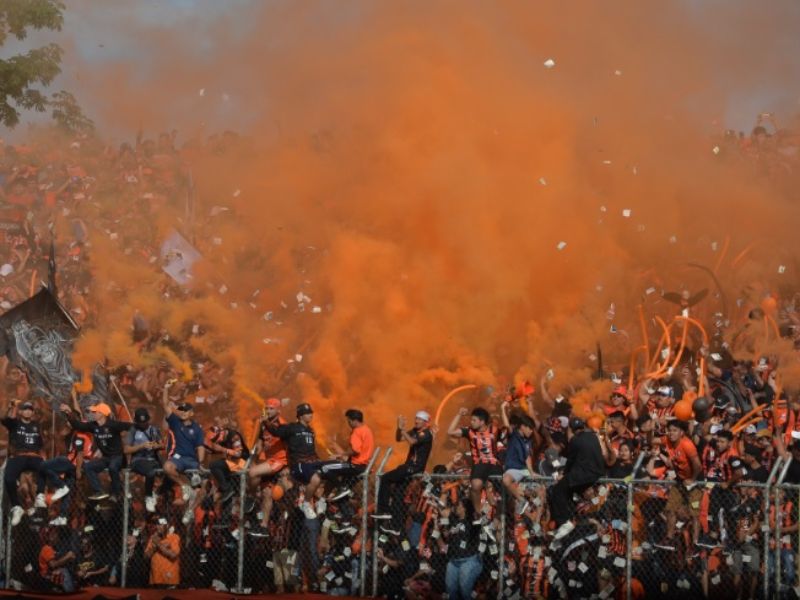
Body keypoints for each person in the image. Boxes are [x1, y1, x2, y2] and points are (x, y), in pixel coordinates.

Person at [3, 399, 67, 526]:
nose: (27, 412)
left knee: (44, 467)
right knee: (9, 478)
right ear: (21, 412)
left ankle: (39, 496)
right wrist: (12, 407)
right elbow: (7, 419)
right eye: (25, 409)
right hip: (18, 456)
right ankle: (17, 507)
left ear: (32, 413)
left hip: (33, 455)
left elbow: (41, 442)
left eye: (30, 410)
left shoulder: (36, 425)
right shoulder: (15, 424)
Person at [59, 401, 132, 501]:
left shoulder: (114, 425)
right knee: (88, 467)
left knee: (113, 467)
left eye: (95, 412)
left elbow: (133, 427)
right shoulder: (93, 426)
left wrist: (131, 439)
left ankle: (117, 493)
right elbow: (78, 425)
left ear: (102, 414)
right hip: (106, 458)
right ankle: (99, 491)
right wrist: (68, 413)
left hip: (117, 456)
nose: (93, 414)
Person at [267, 402, 325, 519]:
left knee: (327, 472)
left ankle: (320, 502)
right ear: (300, 415)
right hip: (298, 465)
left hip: (311, 463)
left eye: (310, 413)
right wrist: (265, 421)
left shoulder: (311, 431)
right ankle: (304, 503)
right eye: (307, 413)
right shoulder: (292, 428)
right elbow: (276, 432)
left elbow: (311, 450)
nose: (310, 415)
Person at [548, 417, 605, 536]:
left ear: (572, 430)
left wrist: (564, 474)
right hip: (597, 473)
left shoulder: (575, 440)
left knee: (558, 490)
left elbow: (571, 460)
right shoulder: (593, 436)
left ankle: (564, 522)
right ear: (583, 427)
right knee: (569, 492)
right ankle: (573, 520)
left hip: (583, 474)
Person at [373, 410, 433, 521]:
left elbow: (411, 441)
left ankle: (383, 510)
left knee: (386, 478)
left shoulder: (426, 433)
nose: (416, 421)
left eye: (420, 419)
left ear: (425, 422)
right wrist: (398, 428)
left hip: (415, 467)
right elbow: (399, 438)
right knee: (398, 492)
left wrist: (402, 429)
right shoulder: (415, 431)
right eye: (416, 418)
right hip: (408, 465)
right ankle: (396, 525)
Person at [161, 381, 205, 522]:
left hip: (191, 460)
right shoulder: (174, 421)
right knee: (167, 467)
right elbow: (165, 404)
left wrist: (200, 463)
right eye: (181, 410)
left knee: (200, 490)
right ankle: (184, 486)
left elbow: (200, 447)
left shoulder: (197, 429)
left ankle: (190, 511)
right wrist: (166, 388)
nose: (183, 412)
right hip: (177, 459)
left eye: (186, 410)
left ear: (191, 413)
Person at [656, 419, 703, 550]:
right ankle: (669, 538)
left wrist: (692, 479)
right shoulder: (668, 441)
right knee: (670, 509)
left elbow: (698, 465)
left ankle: (695, 543)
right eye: (670, 430)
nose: (671, 433)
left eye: (675, 430)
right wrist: (648, 431)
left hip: (695, 482)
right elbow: (653, 441)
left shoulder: (687, 444)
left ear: (682, 432)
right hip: (680, 481)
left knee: (694, 513)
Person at [448, 406, 502, 513]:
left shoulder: (494, 429)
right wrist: (459, 414)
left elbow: (506, 436)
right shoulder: (469, 431)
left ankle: (501, 514)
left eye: (474, 420)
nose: (471, 422)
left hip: (494, 463)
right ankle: (479, 513)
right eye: (471, 420)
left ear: (482, 422)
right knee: (475, 485)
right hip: (479, 463)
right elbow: (450, 432)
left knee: (504, 488)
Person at [249, 397, 288, 533]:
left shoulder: (282, 424)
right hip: (269, 460)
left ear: (278, 410)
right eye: (267, 408)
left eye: (271, 408)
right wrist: (257, 450)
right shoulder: (263, 424)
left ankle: (251, 498)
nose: (268, 411)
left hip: (279, 461)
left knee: (252, 472)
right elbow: (260, 441)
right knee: (266, 493)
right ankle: (263, 526)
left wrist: (287, 467)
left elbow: (288, 445)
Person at [323, 408, 375, 494]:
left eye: (349, 421)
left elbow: (355, 451)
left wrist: (339, 455)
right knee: (344, 492)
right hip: (365, 466)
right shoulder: (367, 430)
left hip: (355, 466)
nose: (349, 423)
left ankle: (341, 487)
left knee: (325, 468)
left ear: (354, 421)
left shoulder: (357, 432)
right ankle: (344, 491)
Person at [124, 407, 163, 512]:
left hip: (153, 459)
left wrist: (155, 446)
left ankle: (157, 493)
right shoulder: (133, 431)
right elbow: (126, 449)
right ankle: (148, 496)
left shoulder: (154, 429)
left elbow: (161, 444)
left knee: (169, 472)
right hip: (138, 460)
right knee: (150, 472)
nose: (143, 424)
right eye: (141, 422)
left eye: (145, 422)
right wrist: (141, 446)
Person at [499, 401, 536, 515]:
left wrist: (532, 472)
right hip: (514, 470)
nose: (531, 431)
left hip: (524, 470)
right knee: (506, 480)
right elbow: (506, 425)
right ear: (523, 427)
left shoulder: (528, 440)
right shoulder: (514, 435)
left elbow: (527, 457)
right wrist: (502, 409)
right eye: (529, 428)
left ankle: (536, 521)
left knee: (539, 491)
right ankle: (521, 501)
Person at [443, 497, 483, 600]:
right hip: (453, 561)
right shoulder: (453, 519)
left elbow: (478, 516)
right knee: (450, 590)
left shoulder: (471, 521)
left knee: (465, 590)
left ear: (464, 508)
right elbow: (443, 509)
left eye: (458, 505)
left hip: (468, 561)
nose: (456, 507)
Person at [145, 517, 181, 586]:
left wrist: (158, 544)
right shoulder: (153, 537)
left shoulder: (174, 537)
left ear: (167, 526)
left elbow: (173, 555)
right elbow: (146, 556)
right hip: (156, 578)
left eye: (161, 524)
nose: (158, 527)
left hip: (170, 578)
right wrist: (155, 547)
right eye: (157, 524)